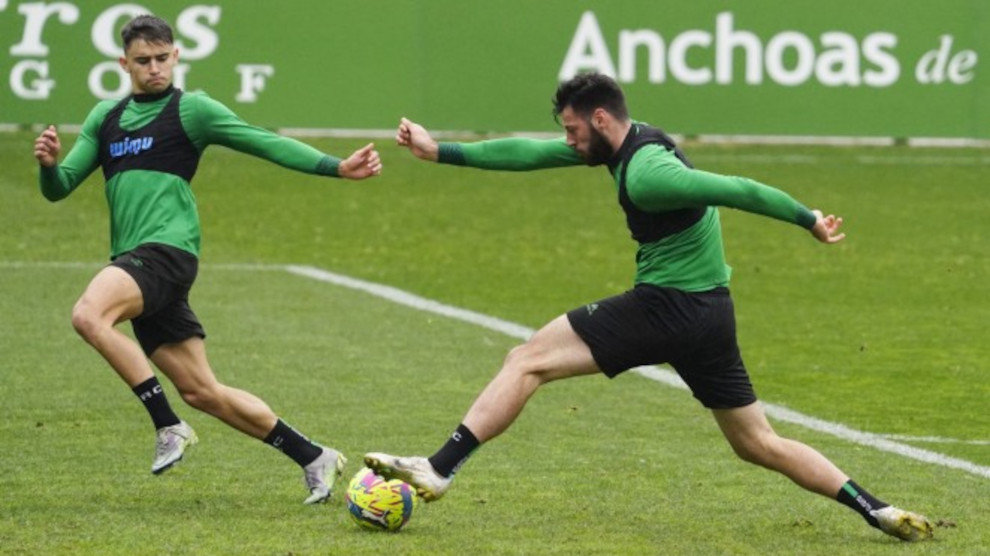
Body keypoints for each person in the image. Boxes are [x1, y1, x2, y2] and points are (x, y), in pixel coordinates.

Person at [365, 72, 934, 541]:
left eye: (572, 129)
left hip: (666, 308)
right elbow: (529, 154)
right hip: (711, 315)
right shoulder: (627, 143)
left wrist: (807, 218)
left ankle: (439, 468)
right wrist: (441, 151)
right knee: (758, 443)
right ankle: (877, 509)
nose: (566, 141)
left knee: (527, 359)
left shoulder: (647, 172)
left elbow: (738, 188)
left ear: (601, 120)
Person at [32, 14, 382, 505]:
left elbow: (263, 140)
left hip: (167, 252)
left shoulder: (191, 110)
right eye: (142, 61)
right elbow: (59, 188)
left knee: (89, 314)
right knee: (203, 391)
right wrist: (48, 166)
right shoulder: (104, 119)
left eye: (162, 58)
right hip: (136, 259)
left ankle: (167, 425)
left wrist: (335, 167)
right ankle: (313, 455)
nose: (153, 68)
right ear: (123, 63)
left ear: (175, 56)